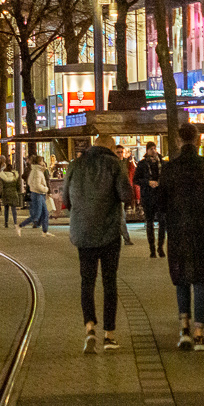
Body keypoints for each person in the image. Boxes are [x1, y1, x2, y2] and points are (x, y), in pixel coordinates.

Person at [157, 124, 204, 352]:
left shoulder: (169, 169)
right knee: (200, 281)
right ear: (198, 140)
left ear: (178, 141)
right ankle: (199, 333)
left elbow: (161, 205)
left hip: (179, 231)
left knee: (181, 280)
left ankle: (184, 329)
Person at [64, 134, 135, 354]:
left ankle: (89, 328)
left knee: (87, 281)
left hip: (82, 233)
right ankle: (109, 335)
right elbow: (126, 196)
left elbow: (66, 200)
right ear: (112, 147)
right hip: (108, 232)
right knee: (109, 282)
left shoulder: (75, 165)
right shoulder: (115, 164)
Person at [134, 142, 165, 258]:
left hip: (160, 196)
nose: (153, 151)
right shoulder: (142, 164)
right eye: (151, 149)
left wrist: (160, 183)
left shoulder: (162, 163)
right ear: (147, 151)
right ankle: (152, 249)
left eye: (154, 148)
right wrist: (147, 182)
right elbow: (136, 180)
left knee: (162, 221)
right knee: (149, 223)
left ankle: (160, 247)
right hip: (148, 196)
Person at [20, 155, 51, 235]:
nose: (43, 163)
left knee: (45, 213)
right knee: (36, 215)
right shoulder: (37, 171)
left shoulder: (37, 170)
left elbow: (30, 182)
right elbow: (37, 185)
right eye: (42, 161)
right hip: (38, 194)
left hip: (39, 194)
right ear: (39, 162)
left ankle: (45, 231)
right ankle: (20, 225)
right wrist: (45, 189)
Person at [0, 161, 23, 228]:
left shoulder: (3, 176)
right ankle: (15, 223)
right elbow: (19, 185)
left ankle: (6, 223)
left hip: (6, 194)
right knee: (13, 209)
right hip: (13, 193)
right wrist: (18, 191)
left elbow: (1, 186)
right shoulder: (15, 176)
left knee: (6, 209)